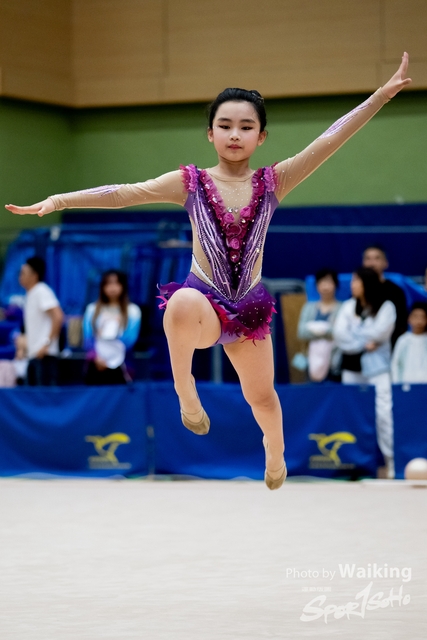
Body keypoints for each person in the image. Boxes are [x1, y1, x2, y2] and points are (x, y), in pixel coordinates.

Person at [5, 54, 412, 489]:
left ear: (261, 136)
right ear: (210, 132)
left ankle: (275, 451)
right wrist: (59, 201)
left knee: (262, 399)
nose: (235, 134)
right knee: (179, 302)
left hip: (249, 310)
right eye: (225, 125)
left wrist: (380, 97)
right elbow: (124, 193)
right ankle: (186, 391)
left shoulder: (275, 181)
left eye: (246, 127)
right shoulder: (190, 182)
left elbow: (330, 139)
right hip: (203, 304)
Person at [333, 267, 396, 478]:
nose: (352, 285)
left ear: (367, 283)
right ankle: (355, 464)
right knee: (352, 414)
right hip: (351, 367)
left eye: (356, 281)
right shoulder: (347, 306)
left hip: (378, 368)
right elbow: (340, 336)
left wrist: (356, 333)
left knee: (383, 414)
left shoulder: (386, 307)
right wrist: (364, 342)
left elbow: (380, 333)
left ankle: (392, 462)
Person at [83, 270, 141, 385]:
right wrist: (96, 357)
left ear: (123, 286)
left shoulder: (133, 311)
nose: (112, 288)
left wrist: (113, 358)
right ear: (102, 287)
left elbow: (130, 339)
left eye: (116, 283)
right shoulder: (92, 309)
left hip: (121, 365)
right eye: (108, 283)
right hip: (96, 365)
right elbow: (88, 337)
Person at [18, 256, 64, 385]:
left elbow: (58, 316)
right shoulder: (30, 294)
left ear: (34, 275)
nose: (20, 277)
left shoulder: (42, 290)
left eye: (23, 273)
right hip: (33, 355)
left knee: (45, 394)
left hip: (45, 355)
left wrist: (46, 344)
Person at [297, 269, 341, 381]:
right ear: (317, 286)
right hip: (311, 359)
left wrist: (313, 328)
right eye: (322, 282)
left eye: (329, 282)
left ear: (335, 285)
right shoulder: (309, 308)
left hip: (334, 361)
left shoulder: (342, 308)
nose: (325, 286)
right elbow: (302, 332)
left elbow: (339, 332)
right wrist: (326, 329)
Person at [362, 244, 407, 347]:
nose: (372, 263)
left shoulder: (396, 291)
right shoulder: (358, 290)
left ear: (385, 263)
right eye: (368, 259)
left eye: (377, 258)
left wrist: (379, 341)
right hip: (360, 346)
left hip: (389, 346)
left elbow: (401, 323)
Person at [391, 302, 427, 384]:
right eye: (416, 316)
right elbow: (396, 363)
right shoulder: (403, 340)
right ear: (409, 318)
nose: (419, 321)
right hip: (406, 381)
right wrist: (397, 383)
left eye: (422, 317)